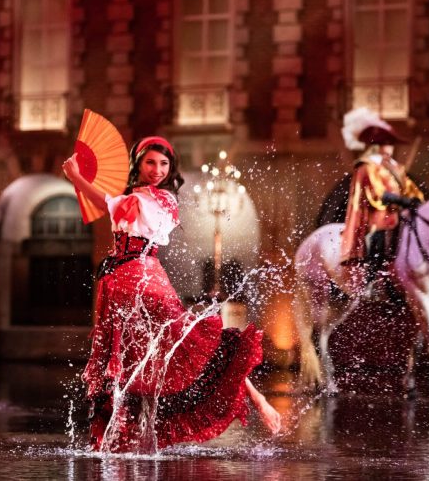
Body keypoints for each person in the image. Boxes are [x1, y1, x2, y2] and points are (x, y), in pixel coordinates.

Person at [63, 136, 281, 453]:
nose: (157, 170)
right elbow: (113, 207)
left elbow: (109, 205)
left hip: (144, 279)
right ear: (138, 163)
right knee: (134, 362)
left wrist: (77, 178)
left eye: (164, 164)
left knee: (187, 340)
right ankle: (126, 439)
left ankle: (258, 399)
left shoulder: (162, 200)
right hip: (118, 283)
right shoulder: (133, 195)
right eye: (150, 162)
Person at [339, 108, 424, 295]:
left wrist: (416, 199)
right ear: (377, 145)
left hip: (397, 214)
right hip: (378, 216)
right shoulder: (368, 166)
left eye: (392, 144)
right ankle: (372, 280)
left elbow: (409, 187)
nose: (391, 148)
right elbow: (377, 194)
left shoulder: (394, 167)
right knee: (380, 238)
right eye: (388, 143)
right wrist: (400, 200)